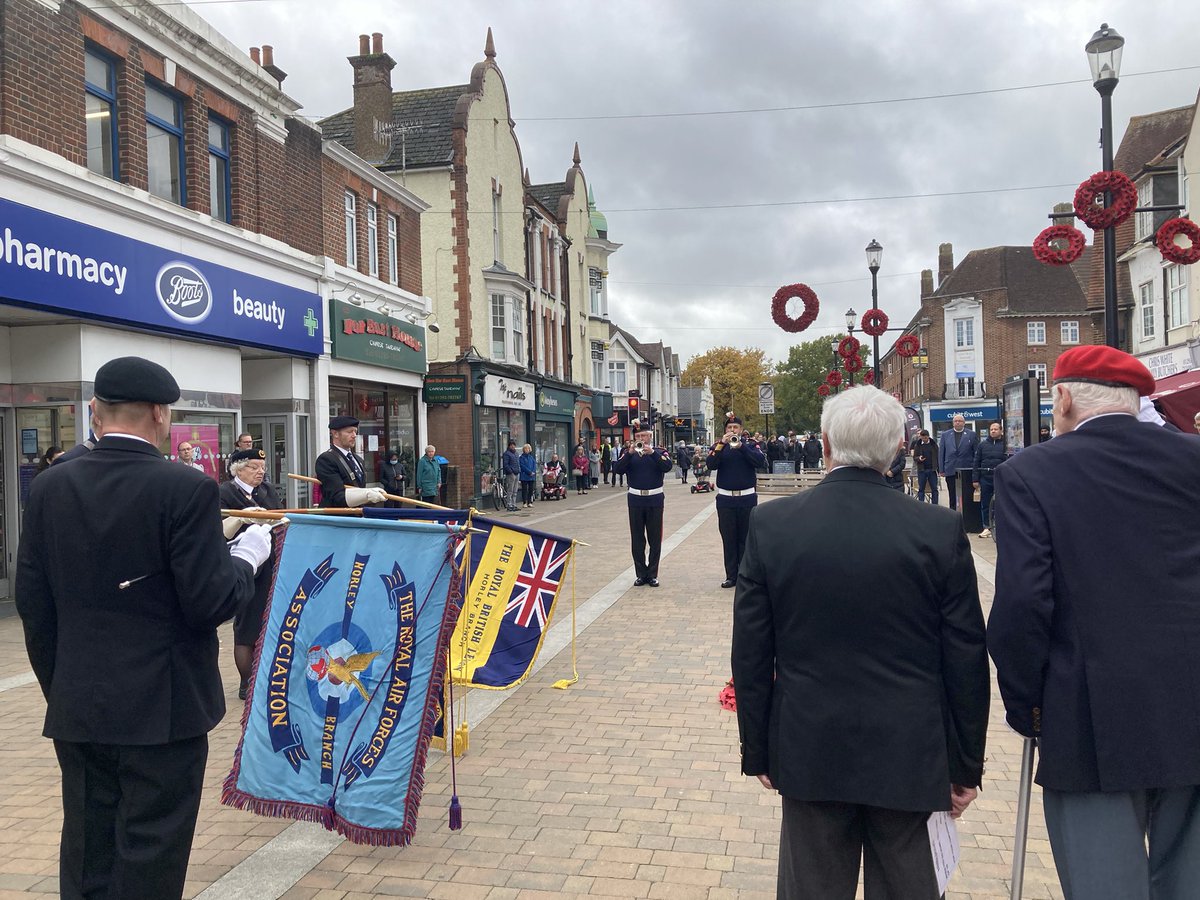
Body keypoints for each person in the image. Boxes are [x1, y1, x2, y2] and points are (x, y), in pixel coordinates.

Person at [14, 356, 273, 900]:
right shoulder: (186, 488)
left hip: (80, 705)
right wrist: (246, 557)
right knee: (151, 855)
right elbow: (210, 602)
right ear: (160, 414)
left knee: (87, 852)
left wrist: (62, 685)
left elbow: (33, 605)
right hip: (165, 708)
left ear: (95, 411)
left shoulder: (50, 486)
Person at [732, 386, 989, 900]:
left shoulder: (774, 524)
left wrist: (758, 749)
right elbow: (965, 656)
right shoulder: (938, 529)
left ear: (825, 444)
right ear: (897, 449)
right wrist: (965, 764)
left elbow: (752, 651)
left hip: (811, 744)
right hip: (910, 749)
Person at [988, 345, 1200, 900]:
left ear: (1061, 398)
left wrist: (1026, 704)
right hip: (1192, 700)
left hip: (1087, 710)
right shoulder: (1193, 458)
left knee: (1105, 884)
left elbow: (1022, 603)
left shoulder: (1030, 472)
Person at [218, 448, 283, 699]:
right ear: (238, 469)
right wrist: (241, 519)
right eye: (253, 467)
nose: (260, 472)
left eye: (262, 467)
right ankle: (246, 682)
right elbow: (219, 530)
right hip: (244, 564)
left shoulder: (266, 491)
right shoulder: (226, 492)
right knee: (247, 626)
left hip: (270, 563)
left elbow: (280, 516)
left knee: (268, 622)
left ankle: (264, 676)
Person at [707, 414, 766, 589]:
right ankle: (731, 576)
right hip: (726, 499)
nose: (732, 430)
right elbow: (711, 464)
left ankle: (745, 575)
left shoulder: (751, 445)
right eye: (729, 427)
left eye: (735, 427)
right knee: (729, 539)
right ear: (725, 430)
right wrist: (721, 444)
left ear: (741, 430)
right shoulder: (719, 446)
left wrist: (741, 447)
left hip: (746, 498)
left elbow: (759, 461)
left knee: (746, 539)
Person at [611, 423, 673, 587]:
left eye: (643, 436)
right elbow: (617, 469)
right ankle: (640, 574)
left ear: (650, 436)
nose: (640, 439)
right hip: (635, 500)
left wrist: (652, 453)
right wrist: (629, 454)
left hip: (654, 499)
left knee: (655, 539)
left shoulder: (659, 452)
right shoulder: (628, 454)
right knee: (637, 539)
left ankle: (652, 574)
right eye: (637, 436)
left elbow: (667, 466)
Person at [314, 416, 385, 509]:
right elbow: (337, 496)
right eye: (349, 432)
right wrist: (365, 495)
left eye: (355, 431)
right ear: (335, 434)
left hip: (358, 514)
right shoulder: (327, 459)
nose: (354, 435)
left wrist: (368, 494)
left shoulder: (358, 460)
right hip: (338, 515)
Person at [937, 414, 978, 509]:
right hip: (950, 469)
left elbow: (976, 453)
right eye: (956, 421)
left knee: (966, 495)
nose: (958, 422)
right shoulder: (945, 435)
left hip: (966, 469)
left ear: (964, 423)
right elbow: (941, 453)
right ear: (953, 423)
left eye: (960, 421)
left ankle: (966, 514)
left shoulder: (971, 434)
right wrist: (941, 469)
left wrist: (975, 469)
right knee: (952, 495)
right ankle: (953, 512)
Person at [973, 421, 1006, 537]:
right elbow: (976, 462)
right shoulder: (982, 445)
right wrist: (975, 479)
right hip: (985, 478)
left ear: (1001, 431)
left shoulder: (1005, 445)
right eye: (991, 429)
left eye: (995, 429)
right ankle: (987, 527)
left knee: (1000, 503)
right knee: (985, 503)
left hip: (1000, 479)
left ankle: (999, 526)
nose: (993, 431)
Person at [500, 440, 520, 511]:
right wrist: (510, 471)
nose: (513, 446)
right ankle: (509, 504)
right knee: (510, 490)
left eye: (513, 445)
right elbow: (506, 464)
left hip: (517, 473)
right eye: (511, 445)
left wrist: (519, 470)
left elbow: (518, 463)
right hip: (511, 474)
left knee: (515, 490)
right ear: (509, 446)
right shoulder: (506, 454)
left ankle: (514, 504)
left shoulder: (516, 453)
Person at [518, 443, 537, 508]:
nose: (527, 450)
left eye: (528, 448)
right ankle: (524, 502)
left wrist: (533, 472)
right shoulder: (521, 458)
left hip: (531, 476)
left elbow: (534, 465)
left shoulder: (531, 457)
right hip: (524, 476)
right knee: (524, 489)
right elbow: (522, 466)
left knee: (531, 489)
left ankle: (530, 502)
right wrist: (529, 472)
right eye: (525, 448)